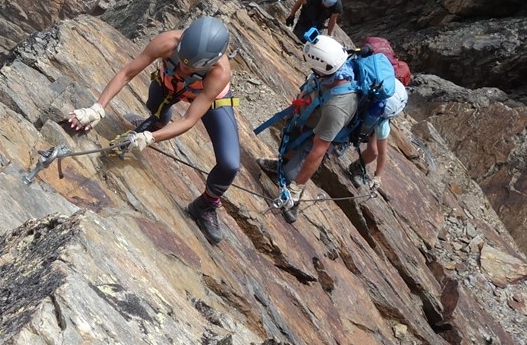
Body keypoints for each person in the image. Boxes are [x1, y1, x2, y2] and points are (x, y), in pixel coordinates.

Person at [66, 16, 241, 245]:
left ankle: (205, 205)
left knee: (230, 164)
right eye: (182, 61)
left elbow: (189, 120)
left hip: (208, 99)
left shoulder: (219, 74)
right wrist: (97, 108)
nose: (183, 68)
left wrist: (149, 138)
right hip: (169, 84)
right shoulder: (167, 42)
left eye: (191, 67)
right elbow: (127, 72)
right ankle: (157, 122)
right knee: (156, 111)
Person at [259, 36, 359, 221]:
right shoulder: (333, 69)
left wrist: (296, 187)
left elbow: (318, 151)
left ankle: (294, 197)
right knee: (286, 145)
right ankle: (281, 166)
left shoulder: (338, 106)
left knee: (291, 174)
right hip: (308, 117)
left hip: (318, 131)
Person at [348, 46, 408, 187]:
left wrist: (378, 176)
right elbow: (381, 153)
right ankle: (357, 166)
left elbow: (379, 153)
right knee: (373, 151)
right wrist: (377, 177)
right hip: (364, 109)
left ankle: (357, 165)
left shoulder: (381, 121)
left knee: (373, 151)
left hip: (360, 103)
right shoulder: (382, 119)